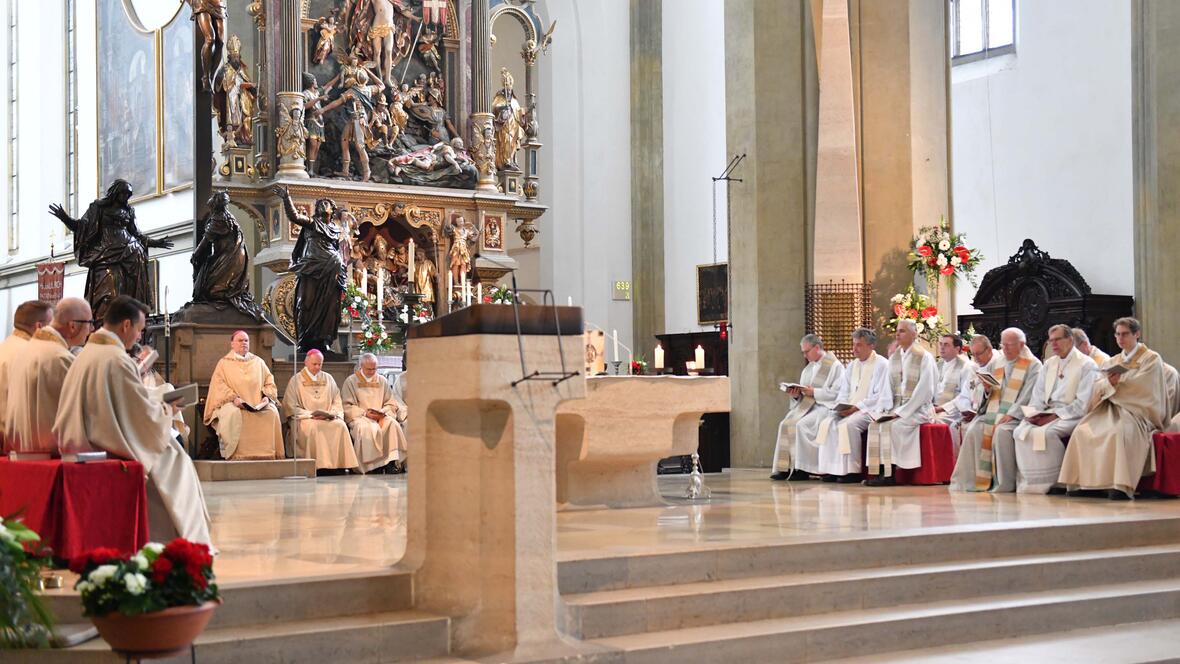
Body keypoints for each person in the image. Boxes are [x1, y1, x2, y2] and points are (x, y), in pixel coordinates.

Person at [52, 296, 212, 546]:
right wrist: (166, 408)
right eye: (139, 330)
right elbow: (142, 418)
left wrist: (157, 406)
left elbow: (125, 405)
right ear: (126, 325)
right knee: (176, 461)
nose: (139, 337)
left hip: (86, 440)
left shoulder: (91, 352)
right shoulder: (115, 359)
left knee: (171, 453)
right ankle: (182, 541)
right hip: (104, 448)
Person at [1059, 317, 1169, 500]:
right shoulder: (1114, 360)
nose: (1120, 339)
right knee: (1082, 431)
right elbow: (1097, 386)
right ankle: (1082, 484)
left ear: (1137, 334)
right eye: (1117, 334)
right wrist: (1108, 383)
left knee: (1118, 432)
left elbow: (1146, 386)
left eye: (1125, 334)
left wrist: (1120, 382)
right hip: (1109, 408)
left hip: (1137, 410)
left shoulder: (1151, 358)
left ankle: (1119, 485)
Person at [950, 328, 1041, 492]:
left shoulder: (1033, 365)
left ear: (1021, 344)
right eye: (1003, 345)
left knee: (1001, 433)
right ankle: (973, 481)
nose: (1004, 349)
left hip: (1019, 414)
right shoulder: (1000, 362)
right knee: (974, 429)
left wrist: (1012, 414)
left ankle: (1004, 483)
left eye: (1009, 345)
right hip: (995, 411)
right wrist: (987, 389)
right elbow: (993, 392)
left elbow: (1029, 395)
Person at [1012, 324, 1097, 494]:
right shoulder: (1049, 364)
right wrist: (1035, 413)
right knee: (1020, 431)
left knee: (1048, 433)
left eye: (1058, 339)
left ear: (1070, 340)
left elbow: (1084, 403)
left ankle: (1057, 481)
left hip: (1072, 414)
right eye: (1051, 341)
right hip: (1047, 412)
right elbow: (1038, 395)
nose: (1054, 344)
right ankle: (1033, 482)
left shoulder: (1087, 365)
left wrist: (1053, 417)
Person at [5, 298, 91, 454]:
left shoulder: (27, 350)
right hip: (51, 458)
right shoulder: (59, 358)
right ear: (73, 326)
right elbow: (82, 414)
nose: (91, 329)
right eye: (89, 323)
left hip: (20, 455)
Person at [863, 320, 938, 486]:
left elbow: (926, 390)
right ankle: (879, 471)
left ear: (914, 334)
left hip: (918, 410)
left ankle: (891, 474)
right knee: (875, 425)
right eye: (897, 331)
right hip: (896, 408)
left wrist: (902, 411)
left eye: (902, 331)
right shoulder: (896, 357)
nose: (897, 334)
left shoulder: (924, 357)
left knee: (893, 427)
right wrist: (885, 409)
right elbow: (887, 386)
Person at [813, 328, 889, 482]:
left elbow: (880, 395)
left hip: (871, 410)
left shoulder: (882, 364)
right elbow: (844, 391)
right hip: (851, 408)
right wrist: (843, 406)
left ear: (871, 346)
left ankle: (852, 471)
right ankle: (833, 470)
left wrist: (856, 407)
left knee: (849, 425)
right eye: (853, 344)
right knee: (828, 423)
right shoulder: (852, 365)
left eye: (859, 345)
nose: (854, 349)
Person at [770, 334, 844, 481]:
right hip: (807, 407)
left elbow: (838, 393)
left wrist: (814, 392)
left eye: (806, 351)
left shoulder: (835, 366)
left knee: (801, 426)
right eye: (803, 352)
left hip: (824, 408)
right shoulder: (808, 369)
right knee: (785, 424)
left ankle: (802, 469)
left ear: (817, 347)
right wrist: (796, 395)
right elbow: (803, 395)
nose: (805, 355)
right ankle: (785, 468)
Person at [204, 330, 284, 460]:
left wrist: (266, 397)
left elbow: (269, 382)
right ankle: (237, 455)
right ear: (232, 344)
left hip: (257, 403)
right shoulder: (224, 363)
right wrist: (234, 398)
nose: (244, 343)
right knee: (232, 414)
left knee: (272, 412)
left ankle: (269, 454)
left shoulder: (258, 362)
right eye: (240, 340)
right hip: (232, 404)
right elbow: (219, 386)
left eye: (246, 340)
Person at [282, 349, 358, 475]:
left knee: (340, 426)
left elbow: (336, 400)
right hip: (306, 419)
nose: (317, 367)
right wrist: (310, 415)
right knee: (314, 427)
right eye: (314, 364)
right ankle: (318, 466)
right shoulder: (296, 380)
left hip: (328, 417)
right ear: (306, 362)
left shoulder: (328, 378)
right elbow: (290, 406)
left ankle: (339, 465)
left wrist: (332, 414)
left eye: (320, 364)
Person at [0, 301, 54, 452]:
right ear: (39, 327)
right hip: (18, 447)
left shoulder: (4, 348)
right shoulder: (30, 354)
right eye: (52, 324)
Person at [341, 352, 408, 474]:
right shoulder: (351, 381)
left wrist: (383, 412)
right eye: (369, 369)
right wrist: (365, 413)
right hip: (361, 417)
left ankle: (391, 462)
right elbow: (347, 405)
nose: (372, 372)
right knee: (368, 429)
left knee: (393, 425)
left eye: (374, 369)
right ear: (361, 366)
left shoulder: (382, 380)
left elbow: (391, 402)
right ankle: (371, 465)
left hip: (380, 416)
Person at [931, 334, 974, 453]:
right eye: (941, 344)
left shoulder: (966, 367)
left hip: (953, 412)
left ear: (958, 349)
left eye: (946, 345)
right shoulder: (937, 365)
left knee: (934, 423)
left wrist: (942, 408)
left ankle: (942, 459)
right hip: (934, 408)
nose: (942, 348)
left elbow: (965, 395)